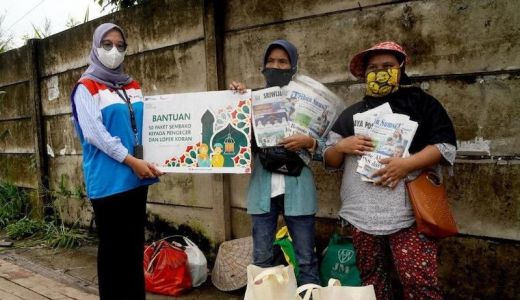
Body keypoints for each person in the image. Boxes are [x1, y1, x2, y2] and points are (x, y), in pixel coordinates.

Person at [324, 41, 456, 299]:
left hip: (409, 214)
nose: (379, 72)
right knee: (371, 279)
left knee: (419, 281)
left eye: (387, 66)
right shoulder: (351, 114)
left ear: (401, 68)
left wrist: (406, 164)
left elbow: (445, 146)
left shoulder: (422, 104)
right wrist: (341, 145)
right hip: (361, 215)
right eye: (373, 68)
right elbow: (330, 159)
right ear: (364, 75)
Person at [70, 23, 163, 300]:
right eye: (107, 44)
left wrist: (165, 157)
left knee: (133, 250)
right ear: (96, 47)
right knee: (113, 253)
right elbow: (96, 134)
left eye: (120, 45)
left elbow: (153, 125)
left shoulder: (132, 86)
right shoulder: (86, 88)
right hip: (109, 182)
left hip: (136, 179)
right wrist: (131, 160)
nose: (114, 50)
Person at [229, 40, 321, 285]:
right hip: (262, 190)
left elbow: (328, 149)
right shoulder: (253, 99)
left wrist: (309, 142)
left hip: (299, 191)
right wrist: (237, 103)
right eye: (270, 61)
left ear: (293, 67)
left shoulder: (308, 104)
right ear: (263, 66)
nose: (275, 66)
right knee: (261, 259)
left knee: (306, 260)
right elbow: (241, 145)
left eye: (282, 61)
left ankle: (309, 293)